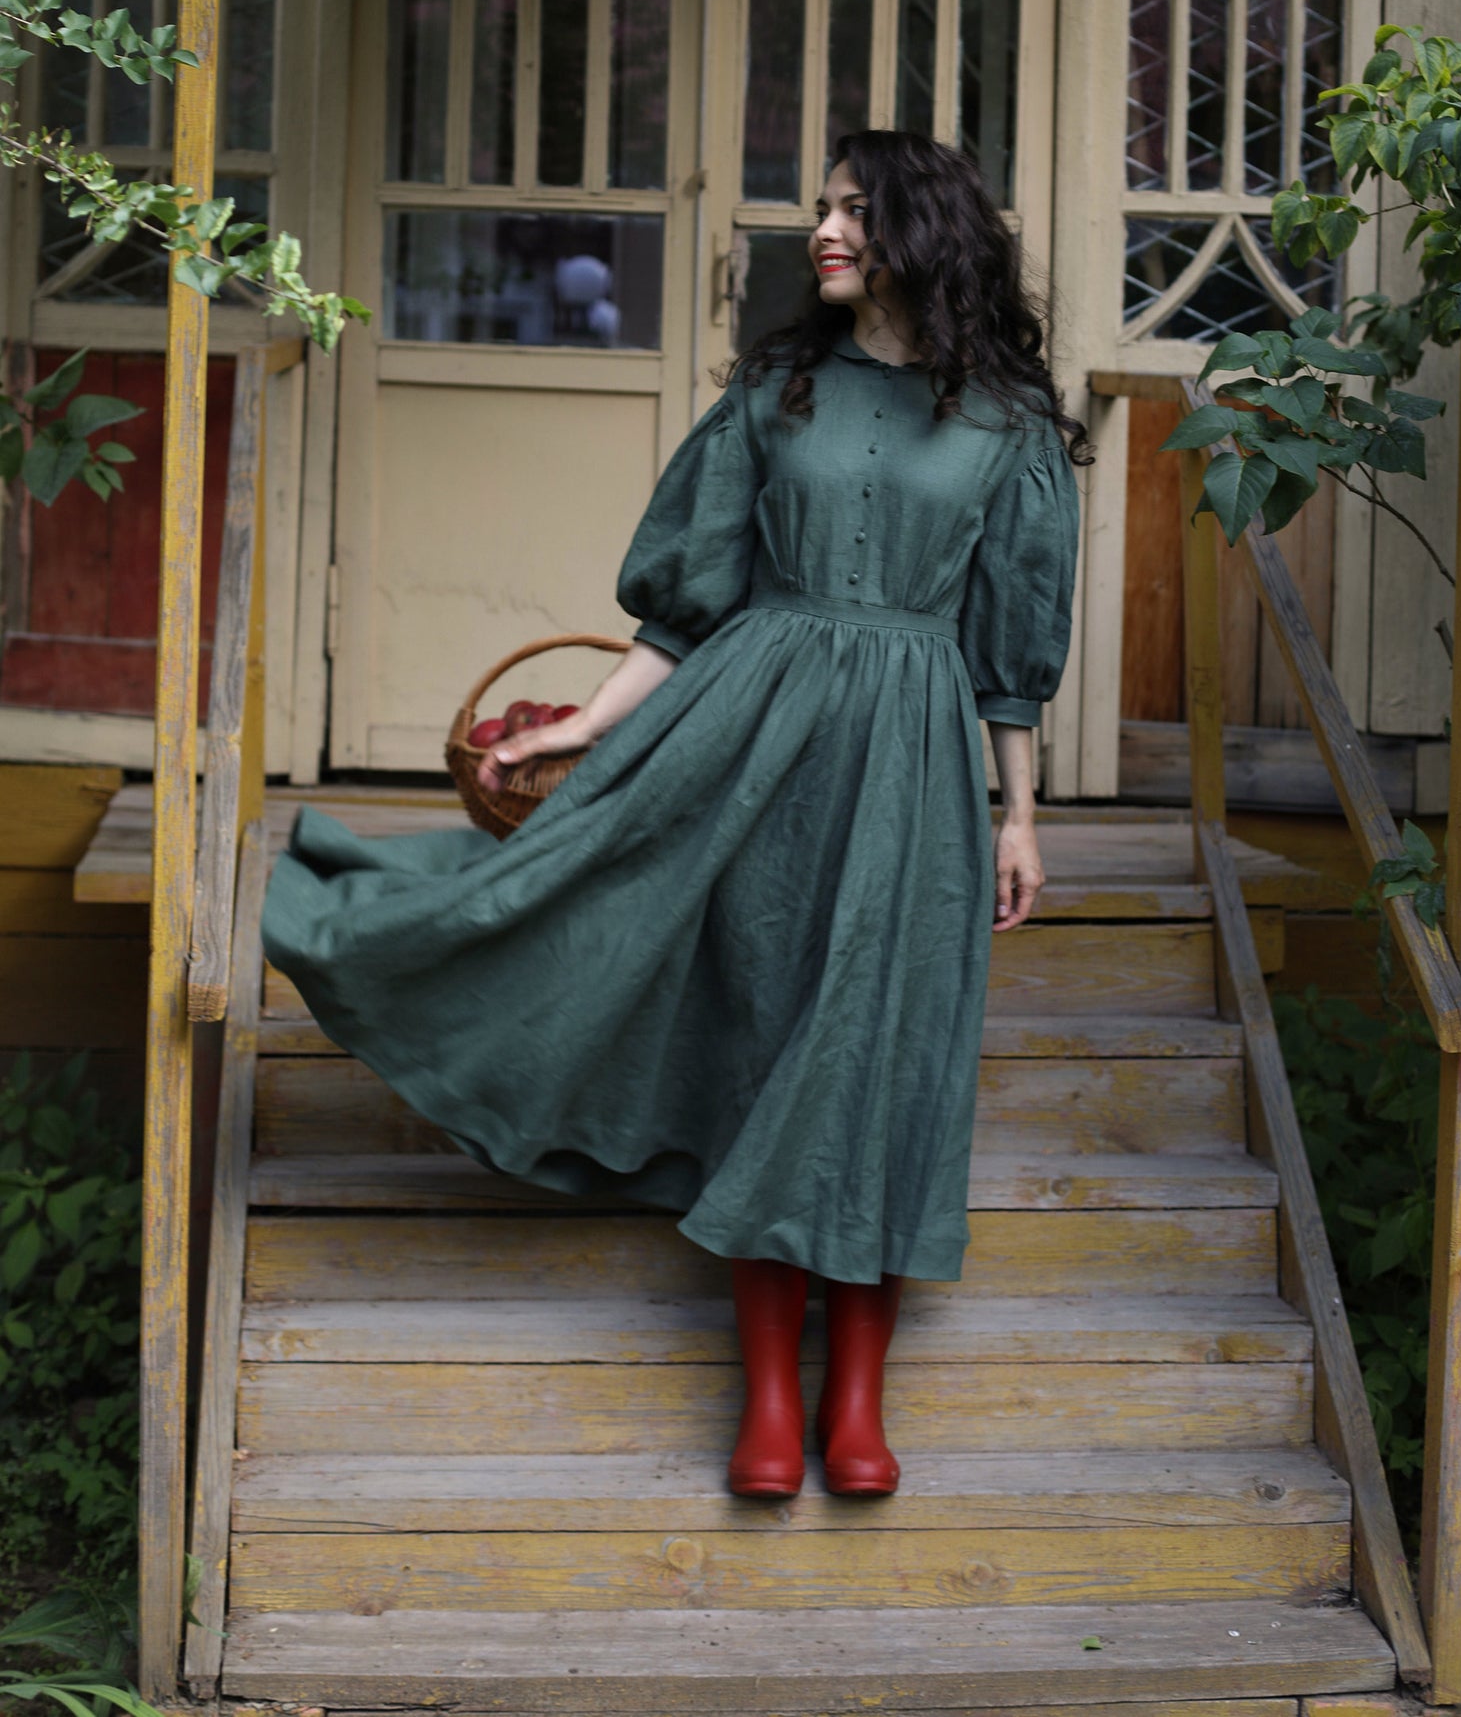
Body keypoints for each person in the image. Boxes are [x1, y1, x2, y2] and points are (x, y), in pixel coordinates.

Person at [263, 129, 1084, 1501]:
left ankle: (859, 1401)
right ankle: (771, 1394)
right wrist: (588, 717)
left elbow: (1013, 645)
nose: (821, 228)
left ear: (919, 230)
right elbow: (690, 595)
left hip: (914, 758)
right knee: (765, 1033)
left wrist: (1019, 819)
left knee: (884, 1049)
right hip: (750, 733)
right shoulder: (780, 391)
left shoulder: (1006, 422)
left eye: (850, 209)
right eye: (821, 207)